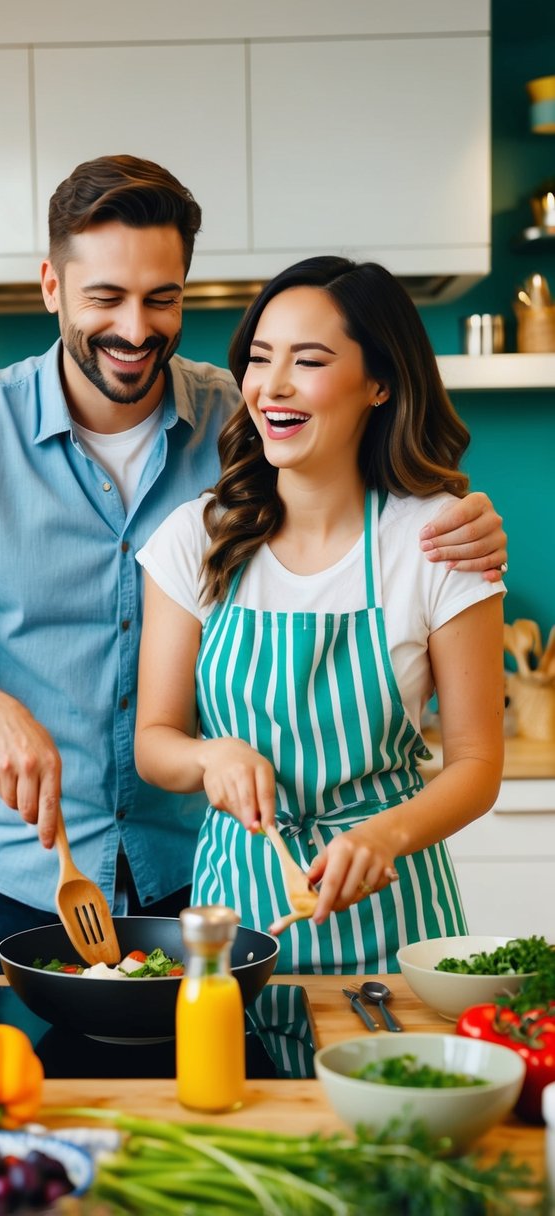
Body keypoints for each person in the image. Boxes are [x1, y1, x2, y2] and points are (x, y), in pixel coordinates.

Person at [0, 158, 506, 973]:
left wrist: (463, 517)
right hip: (14, 879)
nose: (136, 329)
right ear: (52, 285)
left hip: (203, 885)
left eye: (162, 298)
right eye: (105, 298)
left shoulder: (248, 418)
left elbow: (364, 480)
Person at [134, 255, 505, 976]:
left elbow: (477, 765)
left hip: (399, 929)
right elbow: (155, 743)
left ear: (378, 383)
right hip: (237, 928)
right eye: (259, 358)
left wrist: (384, 836)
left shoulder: (436, 541)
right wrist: (210, 754)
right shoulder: (193, 538)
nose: (271, 386)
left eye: (308, 361)